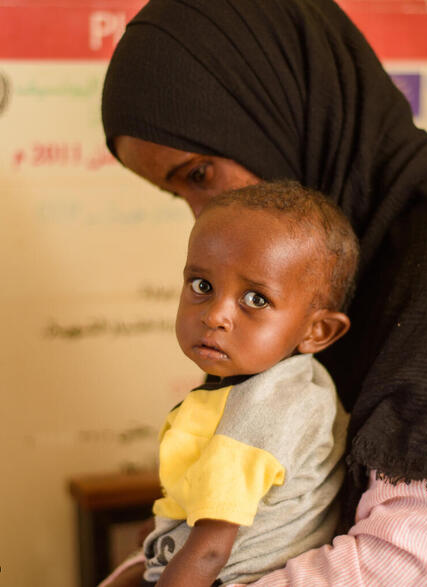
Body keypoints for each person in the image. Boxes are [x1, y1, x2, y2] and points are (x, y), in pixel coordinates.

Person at [100, 0, 427, 584]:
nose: (205, 216)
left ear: (279, 107)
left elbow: (410, 568)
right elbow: (251, 509)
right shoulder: (306, 275)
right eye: (180, 194)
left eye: (199, 174)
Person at [142, 181, 358, 586]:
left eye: (255, 299)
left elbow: (209, 549)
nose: (215, 315)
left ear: (317, 331)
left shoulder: (257, 413)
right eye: (202, 286)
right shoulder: (299, 383)